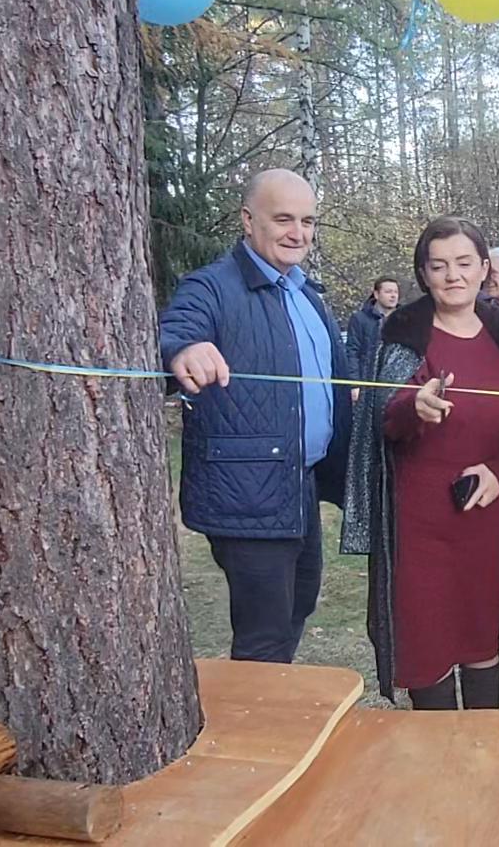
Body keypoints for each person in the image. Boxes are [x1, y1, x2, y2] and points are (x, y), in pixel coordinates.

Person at [160, 169, 353, 663]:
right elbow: (172, 333)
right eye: (283, 219)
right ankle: (257, 712)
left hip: (299, 485)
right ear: (248, 220)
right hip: (245, 494)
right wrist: (183, 349)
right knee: (263, 636)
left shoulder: (306, 294)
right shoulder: (211, 286)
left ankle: (273, 702)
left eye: (308, 221)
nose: (298, 233)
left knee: (297, 607)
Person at [342, 218, 499, 709]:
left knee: (480, 637)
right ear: (423, 274)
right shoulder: (403, 338)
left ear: (484, 269)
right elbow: (384, 420)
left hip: (485, 519)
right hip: (420, 523)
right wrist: (415, 407)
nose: (453, 275)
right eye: (439, 265)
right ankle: (436, 745)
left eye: (464, 263)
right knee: (427, 643)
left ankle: (484, 744)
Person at [345, 277, 400, 385]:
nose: (393, 296)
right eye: (388, 292)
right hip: (367, 382)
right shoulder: (360, 319)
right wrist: (354, 384)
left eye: (396, 292)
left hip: (397, 383)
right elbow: (352, 352)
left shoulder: (407, 319)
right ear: (376, 294)